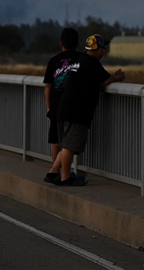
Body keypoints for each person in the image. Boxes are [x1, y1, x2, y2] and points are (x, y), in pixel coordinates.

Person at [47, 33, 125, 186]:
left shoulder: (81, 60)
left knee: (66, 145)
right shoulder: (91, 62)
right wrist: (118, 76)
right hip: (76, 111)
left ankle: (53, 171)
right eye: (103, 48)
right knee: (70, 145)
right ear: (99, 49)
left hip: (64, 109)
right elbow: (107, 79)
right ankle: (65, 177)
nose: (104, 51)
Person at [42, 28, 83, 183]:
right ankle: (62, 172)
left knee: (56, 141)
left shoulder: (54, 61)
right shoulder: (81, 59)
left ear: (61, 44)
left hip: (56, 106)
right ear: (78, 43)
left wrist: (49, 107)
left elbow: (48, 85)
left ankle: (56, 171)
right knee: (69, 141)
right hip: (74, 106)